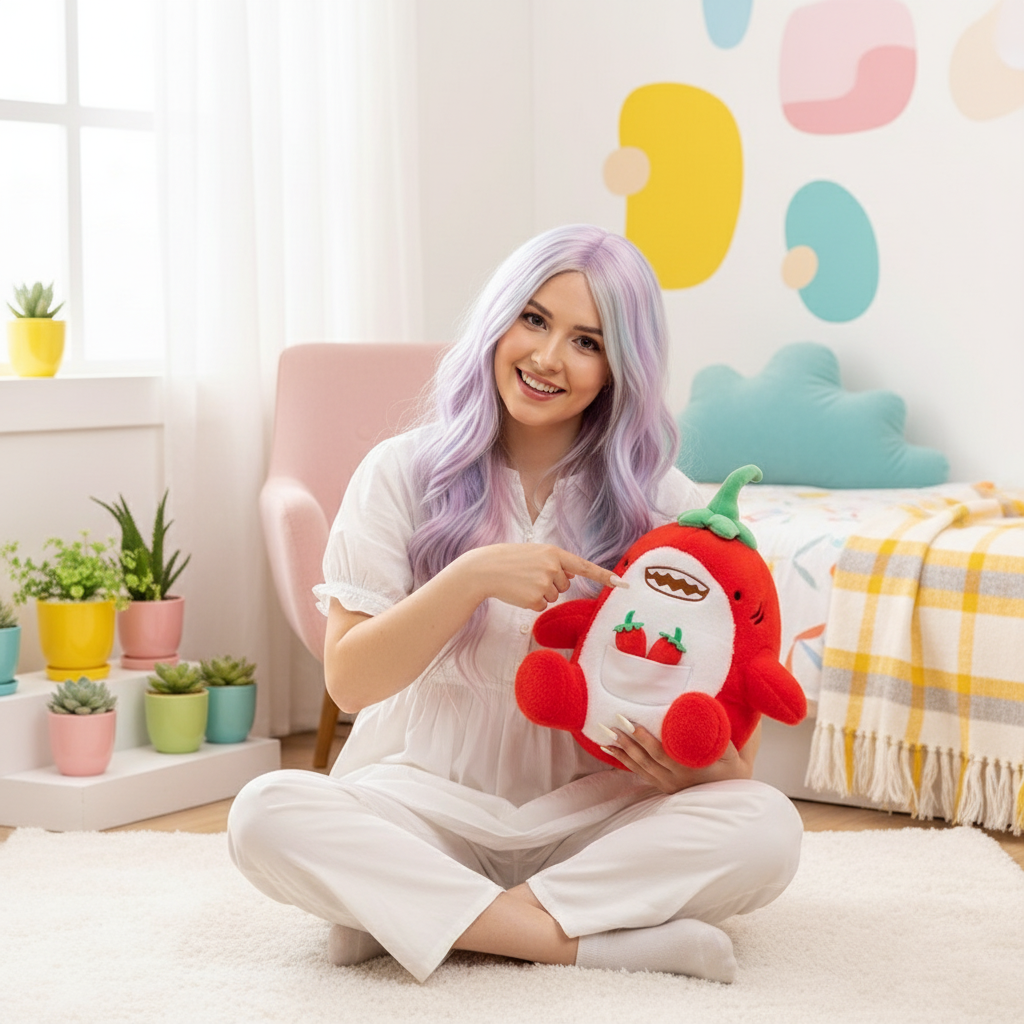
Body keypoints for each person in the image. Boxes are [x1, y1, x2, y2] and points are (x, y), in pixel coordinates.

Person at [227, 225, 803, 984]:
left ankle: (418, 917)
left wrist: (697, 771)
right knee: (264, 813)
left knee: (768, 827)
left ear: (618, 369)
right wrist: (469, 577)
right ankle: (583, 940)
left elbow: (737, 761)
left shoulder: (667, 508)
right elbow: (350, 683)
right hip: (421, 801)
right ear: (498, 319)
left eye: (587, 341)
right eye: (533, 319)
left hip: (596, 815)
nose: (546, 357)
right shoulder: (400, 472)